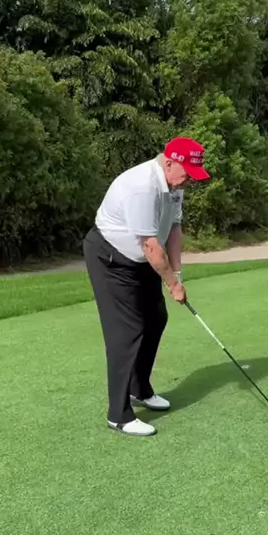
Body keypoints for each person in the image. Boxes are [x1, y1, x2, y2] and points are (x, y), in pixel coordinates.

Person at [83, 137, 210, 437]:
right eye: (188, 173)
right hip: (111, 259)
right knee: (127, 331)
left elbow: (173, 230)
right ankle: (118, 414)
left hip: (141, 259)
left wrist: (176, 275)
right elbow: (151, 246)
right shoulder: (143, 186)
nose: (190, 180)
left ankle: (139, 388)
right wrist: (172, 285)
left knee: (156, 318)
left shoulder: (175, 186)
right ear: (170, 162)